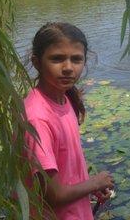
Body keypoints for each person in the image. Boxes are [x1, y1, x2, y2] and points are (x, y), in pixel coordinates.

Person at [24, 22, 114, 219]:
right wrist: (95, 183)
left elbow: (67, 168)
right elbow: (53, 196)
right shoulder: (37, 118)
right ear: (37, 62)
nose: (68, 68)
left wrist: (88, 186)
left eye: (76, 59)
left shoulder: (65, 99)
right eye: (57, 59)